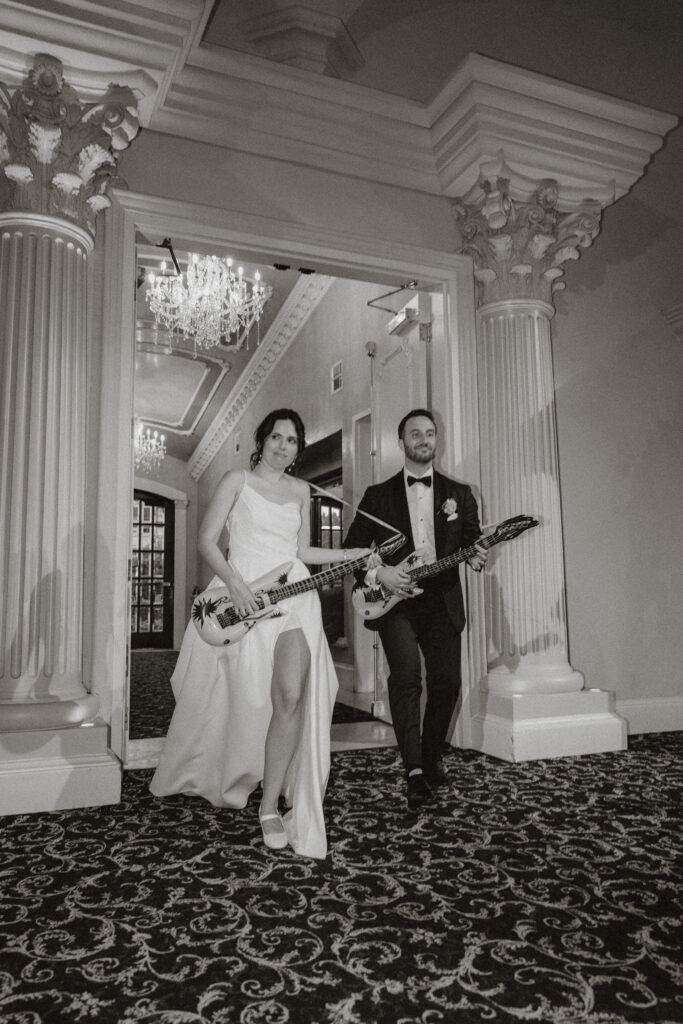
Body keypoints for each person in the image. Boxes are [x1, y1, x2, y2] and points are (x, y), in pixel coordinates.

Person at [150, 409, 371, 858]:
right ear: (262, 439)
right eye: (277, 437)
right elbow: (207, 541)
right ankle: (224, 768)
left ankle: (269, 805)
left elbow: (301, 550)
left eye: (292, 441)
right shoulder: (236, 480)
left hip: (294, 596)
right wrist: (236, 585)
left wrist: (354, 553)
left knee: (289, 694)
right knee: (242, 696)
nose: (283, 446)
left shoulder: (301, 491)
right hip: (244, 594)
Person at [343, 409, 487, 811]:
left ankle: (429, 754)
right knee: (406, 677)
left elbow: (473, 543)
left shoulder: (460, 495)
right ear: (400, 442)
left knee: (447, 684)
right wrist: (382, 574)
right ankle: (414, 771)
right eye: (415, 433)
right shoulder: (377, 496)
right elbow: (353, 552)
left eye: (430, 433)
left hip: (442, 601)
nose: (424, 439)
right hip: (396, 604)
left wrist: (476, 557)